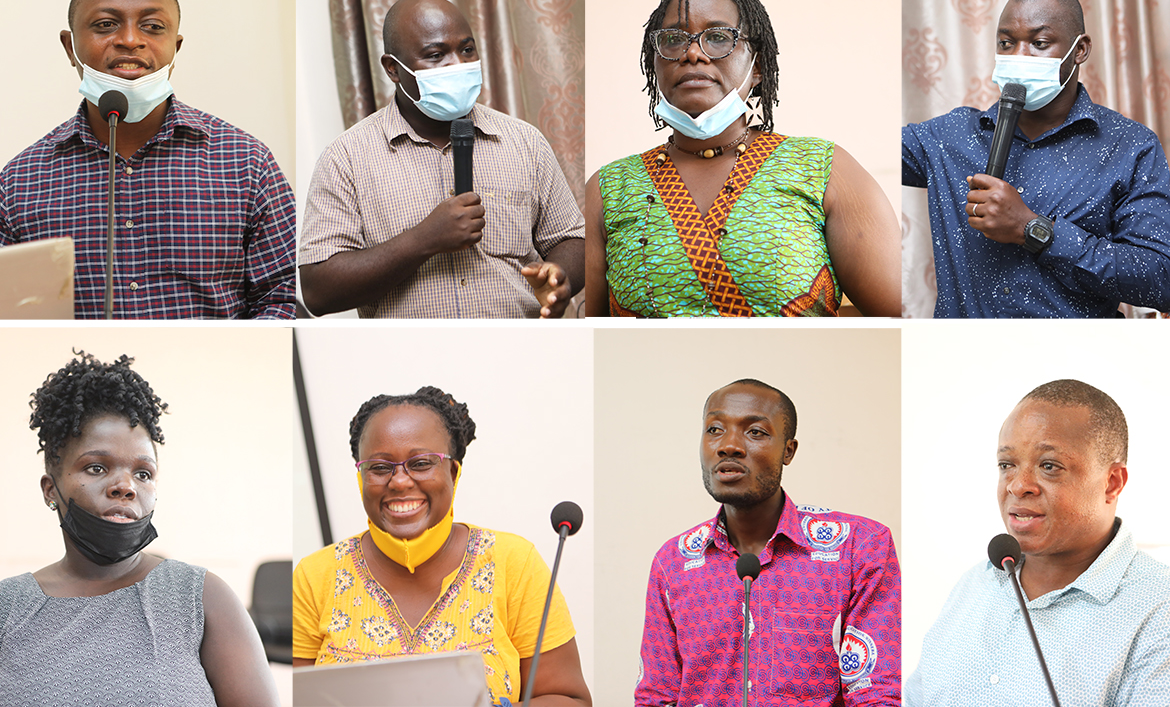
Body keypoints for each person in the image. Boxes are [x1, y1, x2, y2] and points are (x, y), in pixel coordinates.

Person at [585, 0, 900, 318]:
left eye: (718, 37)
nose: (692, 53)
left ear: (759, 67)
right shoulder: (609, 188)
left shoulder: (822, 168)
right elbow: (586, 336)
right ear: (655, 62)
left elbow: (900, 320)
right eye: (674, 40)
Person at [0, 0, 296, 320]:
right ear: (69, 46)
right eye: (106, 25)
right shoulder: (19, 181)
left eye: (153, 27)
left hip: (212, 374)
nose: (129, 40)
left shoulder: (247, 162)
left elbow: (281, 299)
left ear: (176, 46)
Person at [0, 351, 278, 705]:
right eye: (96, 468)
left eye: (142, 473)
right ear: (50, 489)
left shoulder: (202, 597)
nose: (125, 486)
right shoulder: (7, 607)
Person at [292, 386, 591, 706]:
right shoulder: (314, 575)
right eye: (379, 467)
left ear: (452, 471)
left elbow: (569, 699)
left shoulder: (513, 562)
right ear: (361, 478)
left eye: (420, 463)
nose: (400, 481)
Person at [299, 0, 585, 319]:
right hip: (409, 362)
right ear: (393, 68)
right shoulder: (345, 159)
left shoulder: (526, 143)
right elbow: (317, 291)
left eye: (467, 50)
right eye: (436, 55)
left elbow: (571, 239)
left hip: (518, 354)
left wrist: (559, 277)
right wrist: (424, 240)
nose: (457, 66)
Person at [902, 0, 1170, 318]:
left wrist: (1034, 230)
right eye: (1006, 43)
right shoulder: (948, 137)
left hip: (1076, 359)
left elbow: (1160, 277)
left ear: (1080, 50)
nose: (1019, 57)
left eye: (1039, 43)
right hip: (964, 361)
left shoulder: (1130, 146)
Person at [636, 379, 900, 706]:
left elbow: (878, 695)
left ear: (788, 451)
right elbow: (655, 697)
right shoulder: (673, 562)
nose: (728, 445)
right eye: (714, 429)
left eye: (755, 432)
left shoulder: (858, 547)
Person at [906, 380, 1170, 705]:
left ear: (1111, 483)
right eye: (1007, 465)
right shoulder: (974, 584)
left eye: (1048, 466)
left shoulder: (1159, 609)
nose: (1018, 486)